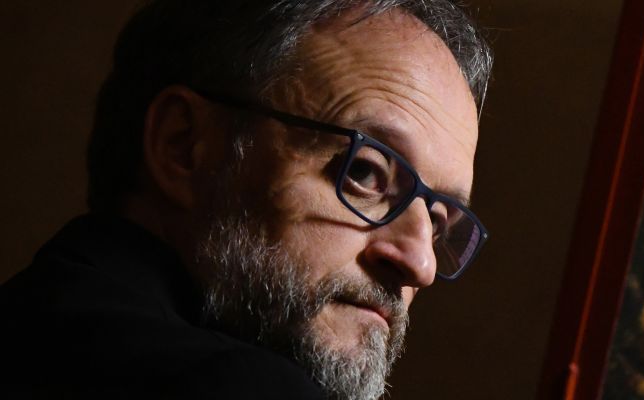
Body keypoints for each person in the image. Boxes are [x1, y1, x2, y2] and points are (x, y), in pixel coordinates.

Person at [0, 0, 492, 399]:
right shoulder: (235, 384)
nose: (420, 264)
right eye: (365, 172)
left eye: (437, 220)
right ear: (182, 145)